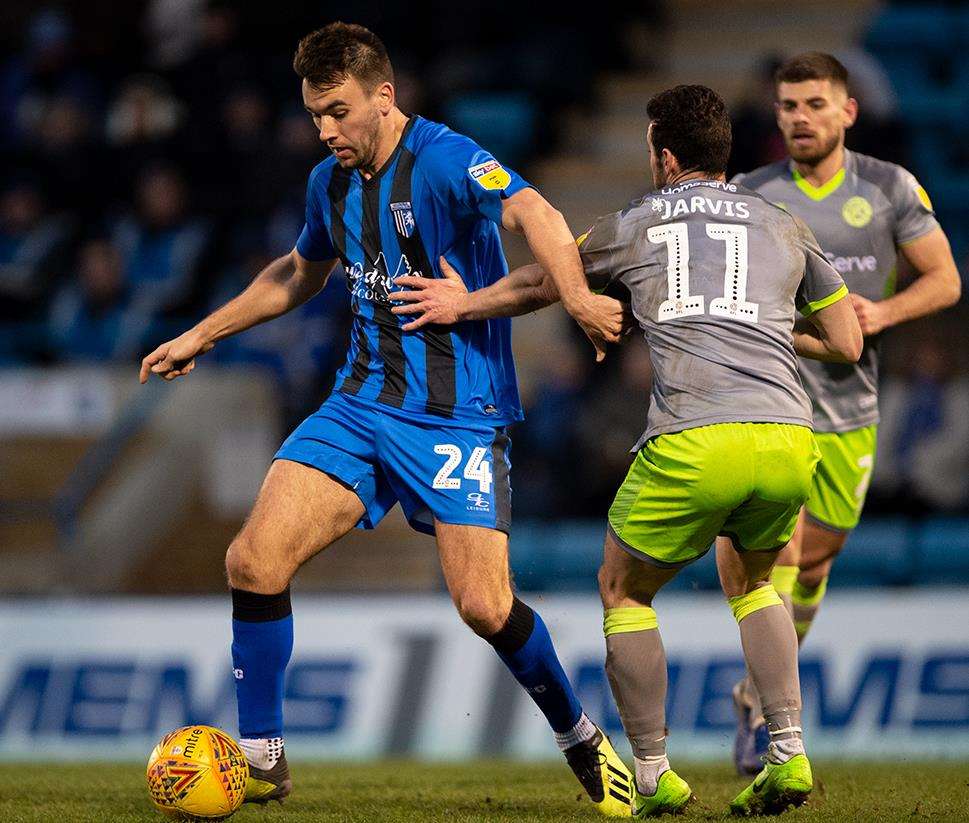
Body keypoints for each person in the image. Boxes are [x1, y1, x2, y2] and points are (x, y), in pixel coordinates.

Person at [139, 21, 636, 817]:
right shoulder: (327, 185)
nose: (326, 129)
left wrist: (575, 296)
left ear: (384, 95)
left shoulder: (442, 158)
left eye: (338, 110)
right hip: (358, 404)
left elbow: (534, 210)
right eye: (313, 114)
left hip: (455, 418)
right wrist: (202, 332)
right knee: (252, 560)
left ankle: (577, 733)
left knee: (483, 606)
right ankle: (262, 757)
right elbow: (297, 271)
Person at [388, 84, 863, 816]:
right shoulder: (781, 221)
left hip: (696, 438)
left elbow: (548, 281)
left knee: (623, 587)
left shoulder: (637, 222)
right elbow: (844, 342)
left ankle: (649, 772)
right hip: (789, 437)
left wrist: (463, 304)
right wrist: (762, 328)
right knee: (754, 581)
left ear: (664, 155)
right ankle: (788, 752)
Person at [717, 52, 961, 775]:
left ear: (846, 111)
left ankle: (752, 691)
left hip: (851, 409)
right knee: (783, 555)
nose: (798, 118)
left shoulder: (888, 189)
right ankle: (770, 721)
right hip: (771, 405)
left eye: (814, 105)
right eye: (788, 106)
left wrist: (880, 312)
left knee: (814, 564)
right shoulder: (749, 194)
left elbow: (944, 279)